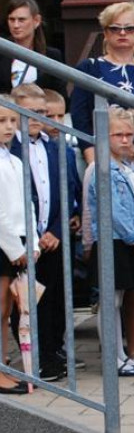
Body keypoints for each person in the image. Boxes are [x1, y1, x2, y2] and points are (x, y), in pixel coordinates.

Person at [9, 83, 81, 382]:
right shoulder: (8, 149)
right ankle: (33, 357)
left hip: (52, 238)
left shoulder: (57, 148)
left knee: (54, 300)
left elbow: (68, 195)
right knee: (26, 303)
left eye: (41, 112)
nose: (36, 118)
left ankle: (51, 356)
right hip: (22, 239)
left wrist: (56, 230)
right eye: (29, 113)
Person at [86, 107, 134, 376]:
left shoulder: (130, 169)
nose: (126, 140)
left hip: (132, 242)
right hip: (115, 241)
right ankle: (113, 357)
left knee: (122, 298)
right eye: (118, 135)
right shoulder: (101, 169)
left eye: (129, 135)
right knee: (111, 301)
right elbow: (114, 212)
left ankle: (122, 354)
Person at [70, 1, 134, 163]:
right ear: (105, 32)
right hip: (108, 156)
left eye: (130, 28)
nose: (122, 33)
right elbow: (80, 119)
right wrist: (94, 161)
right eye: (115, 28)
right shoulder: (90, 68)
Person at [0, 97, 34, 395]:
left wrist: (31, 241)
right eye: (2, 121)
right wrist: (15, 249)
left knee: (8, 310)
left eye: (12, 121)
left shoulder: (14, 159)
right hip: (4, 244)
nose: (9, 127)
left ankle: (5, 367)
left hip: (17, 242)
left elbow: (27, 204)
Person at [1, 0, 65, 97]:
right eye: (11, 19)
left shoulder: (51, 55)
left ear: (36, 21)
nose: (16, 25)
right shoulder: (2, 52)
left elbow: (59, 94)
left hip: (40, 111)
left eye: (21, 20)